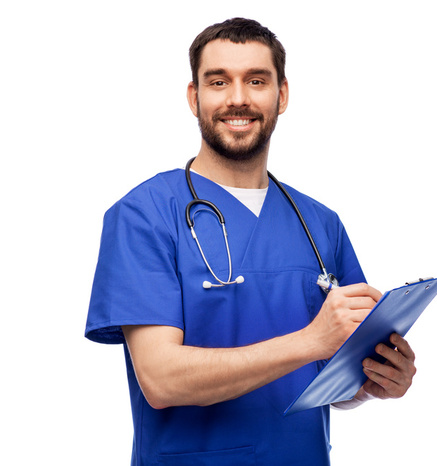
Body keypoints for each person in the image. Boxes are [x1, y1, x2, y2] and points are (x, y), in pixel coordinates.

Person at [85, 17, 416, 465]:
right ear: (194, 97)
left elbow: (334, 376)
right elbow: (161, 380)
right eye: (218, 82)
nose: (237, 98)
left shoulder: (319, 223)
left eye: (256, 81)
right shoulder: (145, 215)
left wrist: (373, 383)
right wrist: (310, 341)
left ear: (281, 95)